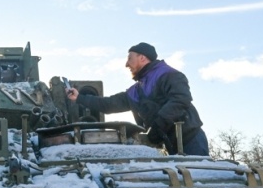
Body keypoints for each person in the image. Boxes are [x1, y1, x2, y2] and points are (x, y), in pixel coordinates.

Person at [66, 42, 209, 156]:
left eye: (129, 58)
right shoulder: (137, 91)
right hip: (169, 143)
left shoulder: (169, 75)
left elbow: (180, 100)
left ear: (142, 57)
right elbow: (109, 104)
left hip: (190, 139)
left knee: (201, 181)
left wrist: (158, 126)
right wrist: (80, 98)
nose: (126, 64)